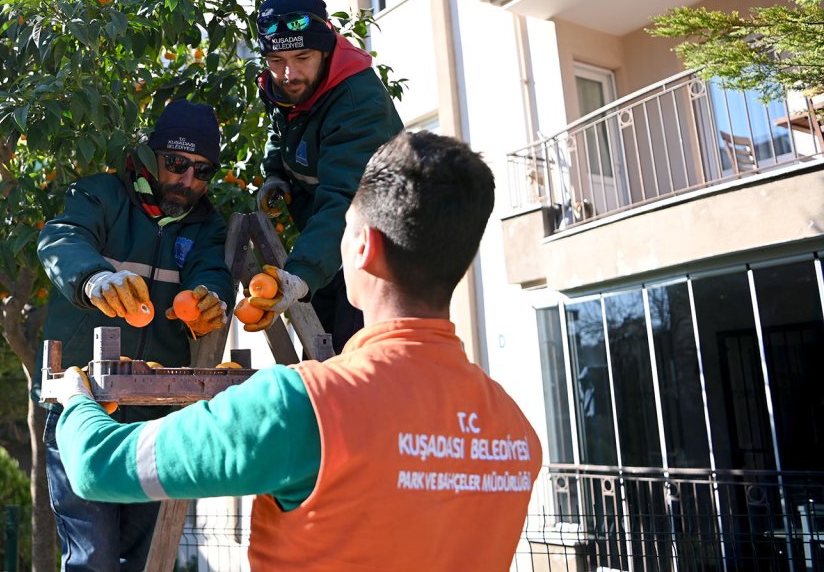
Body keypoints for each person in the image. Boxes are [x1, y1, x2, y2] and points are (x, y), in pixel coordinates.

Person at [53, 131, 542, 571]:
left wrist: (76, 398)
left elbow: (97, 465)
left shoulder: (304, 406)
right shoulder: (516, 435)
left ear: (362, 247)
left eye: (344, 227)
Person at [34, 98, 235, 571]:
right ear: (151, 157)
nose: (188, 181)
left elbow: (213, 273)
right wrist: (93, 279)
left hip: (156, 416)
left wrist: (210, 298)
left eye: (202, 171)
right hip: (81, 406)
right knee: (94, 559)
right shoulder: (100, 195)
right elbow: (61, 237)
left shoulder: (207, 225)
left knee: (146, 560)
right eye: (177, 163)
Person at [245, 0, 405, 354]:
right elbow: (281, 132)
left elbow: (346, 203)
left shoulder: (358, 101)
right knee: (317, 363)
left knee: (355, 367)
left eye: (302, 57)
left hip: (379, 252)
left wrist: (300, 274)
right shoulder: (283, 86)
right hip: (329, 245)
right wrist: (276, 174)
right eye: (275, 59)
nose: (289, 73)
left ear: (327, 47)